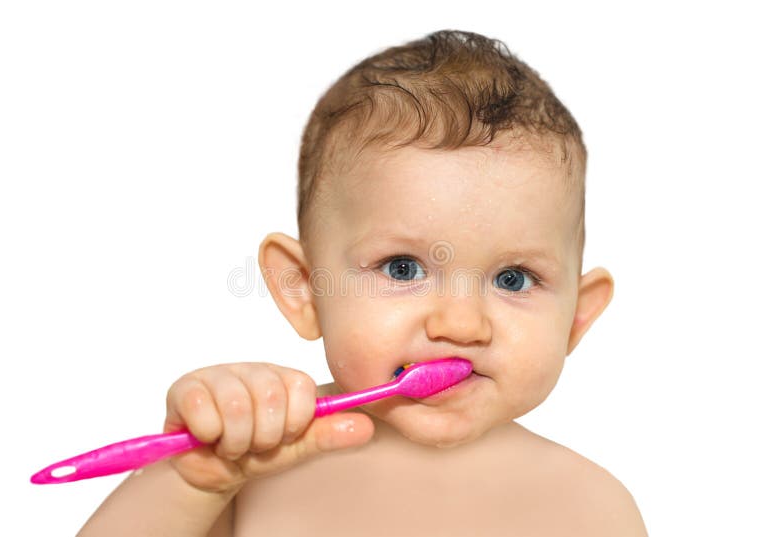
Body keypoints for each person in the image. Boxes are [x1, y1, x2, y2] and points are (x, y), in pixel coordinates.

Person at [79, 29, 648, 536]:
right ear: (304, 287)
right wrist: (191, 481)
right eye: (403, 268)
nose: (461, 324)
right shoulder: (252, 466)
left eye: (513, 278)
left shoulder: (594, 508)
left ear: (576, 315)